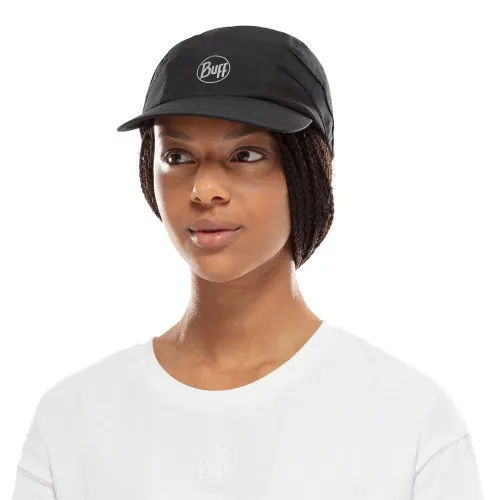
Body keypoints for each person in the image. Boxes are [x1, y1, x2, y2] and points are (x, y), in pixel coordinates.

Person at [12, 25, 484, 500]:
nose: (204, 190)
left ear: (308, 169)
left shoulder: (411, 424)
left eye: (245, 154)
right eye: (177, 156)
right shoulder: (72, 423)